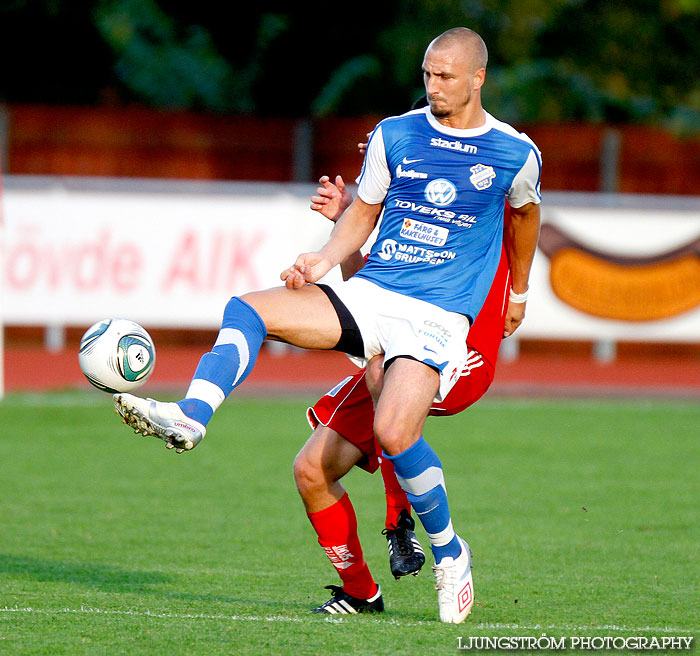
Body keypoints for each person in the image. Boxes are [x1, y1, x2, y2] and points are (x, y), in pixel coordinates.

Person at [114, 27, 541, 624]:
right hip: (374, 293)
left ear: (478, 78)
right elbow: (362, 214)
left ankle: (449, 551)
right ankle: (192, 414)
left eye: (446, 76)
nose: (434, 86)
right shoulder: (395, 134)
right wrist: (322, 257)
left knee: (395, 432)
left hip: (439, 317)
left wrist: (518, 291)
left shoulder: (514, 153)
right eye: (426, 75)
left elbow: (525, 218)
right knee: (250, 307)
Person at [295, 174, 514, 615]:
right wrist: (346, 224)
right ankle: (360, 592)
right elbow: (374, 305)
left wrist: (521, 294)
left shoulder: (489, 201)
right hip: (398, 350)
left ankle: (401, 519)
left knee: (382, 381)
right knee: (311, 471)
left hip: (460, 356)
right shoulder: (412, 217)